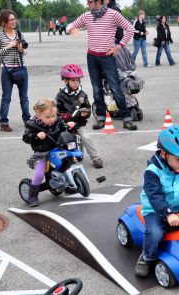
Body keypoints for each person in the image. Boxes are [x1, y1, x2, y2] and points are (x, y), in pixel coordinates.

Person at [135, 125, 179, 277]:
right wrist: (168, 214)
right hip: (155, 210)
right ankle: (147, 257)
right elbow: (155, 196)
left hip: (177, 208)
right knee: (155, 233)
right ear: (165, 154)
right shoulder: (152, 172)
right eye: (178, 159)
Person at [66, 0, 137, 131]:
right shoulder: (87, 16)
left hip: (107, 57)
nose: (87, 4)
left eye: (90, 2)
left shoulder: (113, 14)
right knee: (97, 89)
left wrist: (119, 47)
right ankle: (101, 117)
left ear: (98, 2)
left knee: (115, 88)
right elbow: (69, 25)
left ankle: (127, 118)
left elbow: (130, 29)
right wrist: (72, 29)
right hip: (92, 57)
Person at [23, 98, 75, 207]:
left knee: (68, 164)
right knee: (39, 174)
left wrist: (68, 126)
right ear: (38, 115)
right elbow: (26, 137)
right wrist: (36, 136)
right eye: (47, 117)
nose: (51, 119)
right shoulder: (33, 125)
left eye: (53, 116)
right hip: (42, 153)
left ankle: (70, 184)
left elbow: (62, 128)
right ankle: (32, 196)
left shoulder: (57, 120)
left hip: (57, 149)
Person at [55, 64, 104, 169]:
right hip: (64, 123)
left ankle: (96, 158)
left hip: (78, 123)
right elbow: (56, 112)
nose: (76, 83)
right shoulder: (60, 95)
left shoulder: (82, 95)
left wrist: (84, 113)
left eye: (77, 80)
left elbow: (86, 109)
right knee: (58, 139)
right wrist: (64, 120)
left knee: (86, 137)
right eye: (73, 80)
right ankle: (61, 159)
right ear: (65, 81)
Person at [0, 9, 31, 132]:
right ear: (4, 21)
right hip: (7, 71)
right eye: (11, 19)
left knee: (24, 97)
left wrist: (21, 50)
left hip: (21, 69)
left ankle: (27, 121)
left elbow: (24, 52)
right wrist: (8, 46)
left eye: (15, 19)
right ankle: (4, 122)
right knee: (6, 98)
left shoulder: (19, 34)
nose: (14, 21)